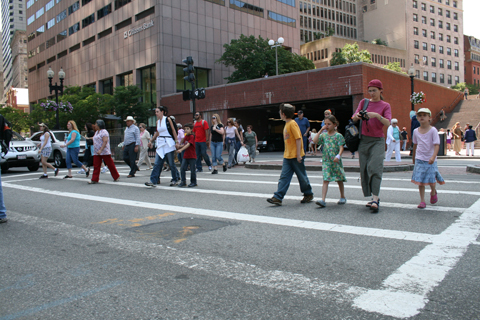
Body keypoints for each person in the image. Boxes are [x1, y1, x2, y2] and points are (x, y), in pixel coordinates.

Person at [351, 79, 392, 214]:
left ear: (381, 91)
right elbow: (353, 118)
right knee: (364, 170)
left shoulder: (385, 105)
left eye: (374, 90)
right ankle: (372, 196)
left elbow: (388, 123)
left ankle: (375, 198)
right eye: (370, 90)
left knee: (375, 167)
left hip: (377, 141)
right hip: (363, 140)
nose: (372, 93)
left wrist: (375, 115)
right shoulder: (364, 102)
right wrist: (358, 115)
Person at [267, 103, 314, 206]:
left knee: (302, 177)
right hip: (287, 156)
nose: (279, 114)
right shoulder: (287, 123)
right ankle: (278, 197)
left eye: (280, 112)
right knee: (284, 177)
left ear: (283, 114)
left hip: (296, 156)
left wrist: (298, 155)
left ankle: (308, 194)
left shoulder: (292, 123)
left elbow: (298, 138)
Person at [411, 108, 445, 209]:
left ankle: (433, 191)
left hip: (430, 159)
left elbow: (436, 145)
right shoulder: (416, 131)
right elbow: (415, 145)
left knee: (431, 179)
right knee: (420, 181)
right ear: (417, 118)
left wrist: (433, 157)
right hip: (419, 159)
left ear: (429, 118)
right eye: (419, 115)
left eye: (424, 115)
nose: (422, 117)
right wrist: (414, 158)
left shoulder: (433, 130)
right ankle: (422, 201)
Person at [312, 115, 346, 207]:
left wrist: (338, 155)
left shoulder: (338, 136)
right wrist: (320, 130)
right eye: (325, 124)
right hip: (326, 161)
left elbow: (341, 147)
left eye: (329, 124)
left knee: (339, 179)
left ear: (334, 124)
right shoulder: (323, 135)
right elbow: (315, 141)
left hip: (335, 161)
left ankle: (342, 196)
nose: (327, 126)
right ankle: (323, 199)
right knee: (326, 179)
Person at [145, 106, 180, 187]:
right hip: (161, 143)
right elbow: (157, 133)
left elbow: (174, 130)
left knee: (171, 163)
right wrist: (151, 141)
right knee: (157, 163)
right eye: (156, 112)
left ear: (162, 112)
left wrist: (176, 141)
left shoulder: (167, 119)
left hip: (168, 143)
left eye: (157, 112)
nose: (156, 113)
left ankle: (175, 179)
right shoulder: (158, 122)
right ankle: (153, 180)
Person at [88, 120, 120, 184]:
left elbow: (105, 141)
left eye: (96, 124)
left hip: (104, 151)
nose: (95, 125)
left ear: (99, 125)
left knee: (110, 164)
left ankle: (116, 176)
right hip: (96, 151)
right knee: (96, 165)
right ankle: (94, 179)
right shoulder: (97, 132)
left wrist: (101, 149)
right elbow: (95, 138)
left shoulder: (104, 132)